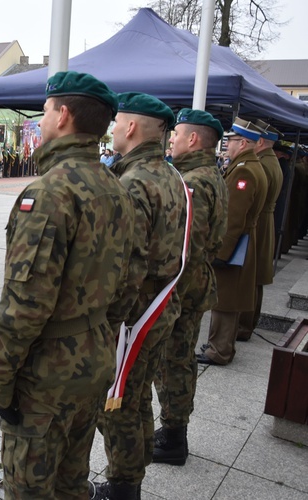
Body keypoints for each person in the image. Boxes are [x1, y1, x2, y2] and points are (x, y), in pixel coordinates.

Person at [0, 71, 135, 499]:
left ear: (63, 114)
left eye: (45, 111)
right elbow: (127, 284)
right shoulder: (116, 187)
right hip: (94, 359)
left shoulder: (50, 193)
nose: (42, 120)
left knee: (31, 488)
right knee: (72, 481)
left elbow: (24, 306)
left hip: (48, 377)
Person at [95, 92, 187, 500]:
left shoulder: (133, 183)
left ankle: (123, 488)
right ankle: (134, 472)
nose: (113, 128)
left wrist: (106, 322)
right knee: (136, 398)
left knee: (116, 408)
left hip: (135, 317)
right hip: (160, 307)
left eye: (117, 122)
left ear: (131, 127)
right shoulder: (170, 175)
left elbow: (123, 267)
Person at [152, 109, 228, 466]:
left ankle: (173, 436)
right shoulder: (208, 174)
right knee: (176, 361)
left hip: (182, 289)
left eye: (177, 133)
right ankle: (172, 430)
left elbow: (186, 247)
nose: (172, 139)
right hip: (195, 285)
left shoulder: (193, 182)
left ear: (193, 139)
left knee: (173, 362)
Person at [198, 118, 268, 366]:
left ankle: (219, 349)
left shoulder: (244, 171)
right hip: (243, 241)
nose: (227, 145)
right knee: (229, 297)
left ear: (244, 143)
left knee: (226, 300)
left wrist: (221, 252)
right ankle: (219, 345)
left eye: (232, 141)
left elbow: (234, 217)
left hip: (235, 244)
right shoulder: (246, 166)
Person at [236, 120, 283, 341]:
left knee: (249, 277)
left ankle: (244, 325)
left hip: (259, 222)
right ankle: (248, 322)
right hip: (265, 220)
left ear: (260, 141)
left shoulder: (260, 164)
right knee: (256, 278)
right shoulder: (270, 161)